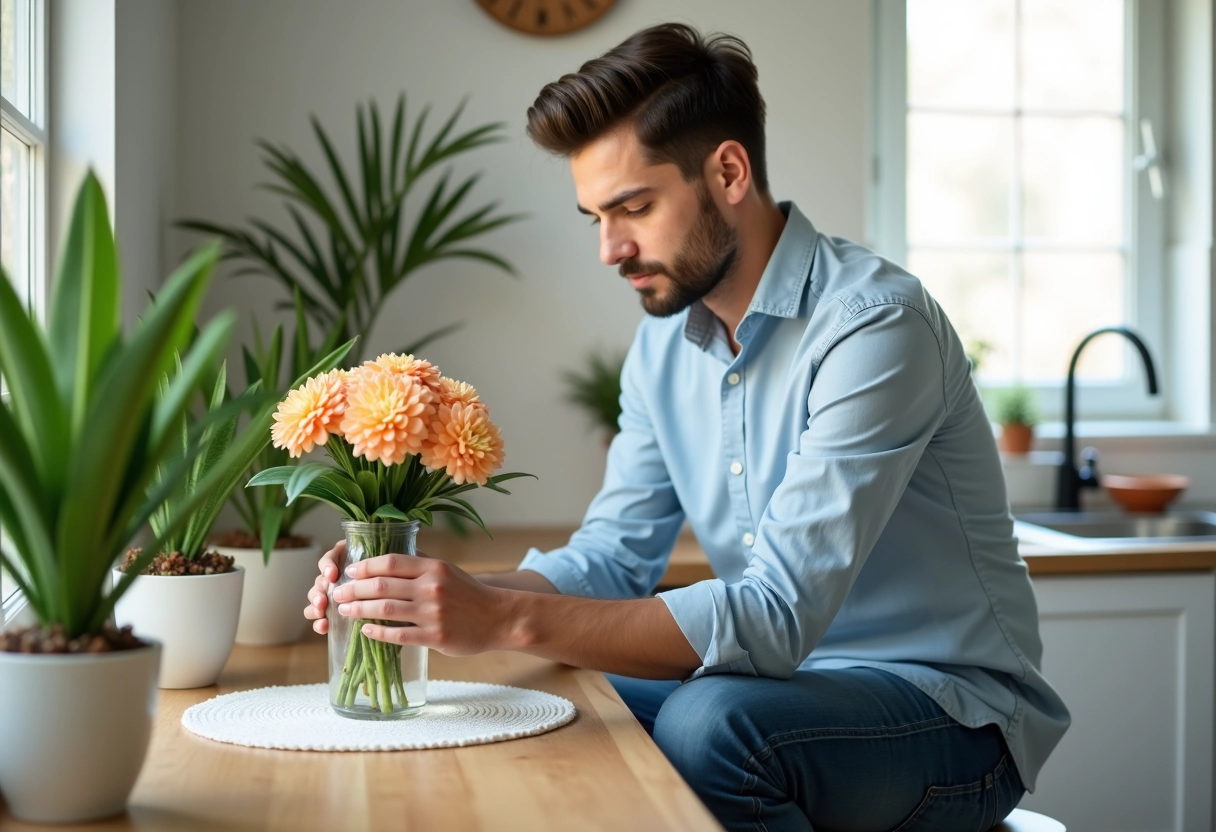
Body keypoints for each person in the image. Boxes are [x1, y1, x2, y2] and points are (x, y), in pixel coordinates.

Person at [305, 23, 1069, 831]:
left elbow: (774, 616)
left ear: (729, 171)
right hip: (788, 689)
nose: (609, 248)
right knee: (535, 689)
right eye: (595, 216)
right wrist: (424, 595)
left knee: (713, 725)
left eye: (633, 207)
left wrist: (504, 618)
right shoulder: (663, 347)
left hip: (949, 720)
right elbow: (612, 558)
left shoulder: (874, 326)